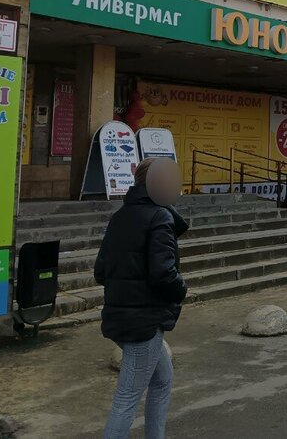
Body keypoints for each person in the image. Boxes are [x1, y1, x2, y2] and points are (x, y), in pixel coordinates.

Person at [95, 158, 188, 439]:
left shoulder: (121, 216)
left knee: (162, 379)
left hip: (120, 316)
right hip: (143, 322)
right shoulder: (160, 217)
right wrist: (181, 289)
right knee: (126, 399)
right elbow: (164, 273)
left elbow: (100, 271)